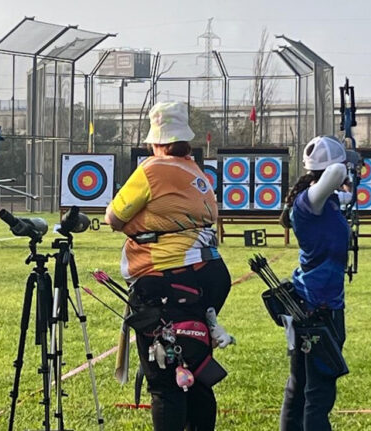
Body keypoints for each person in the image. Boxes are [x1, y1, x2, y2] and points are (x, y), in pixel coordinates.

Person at [105, 101, 233, 431]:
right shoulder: (195, 171)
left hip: (168, 279)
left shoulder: (153, 169)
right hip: (208, 275)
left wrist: (140, 224)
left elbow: (113, 217)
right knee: (195, 367)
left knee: (166, 381)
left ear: (156, 141)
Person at [278, 135, 356, 431]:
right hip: (318, 307)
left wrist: (349, 177)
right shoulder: (308, 203)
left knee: (300, 386)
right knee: (318, 391)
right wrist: (345, 165)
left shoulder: (324, 200)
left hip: (310, 301)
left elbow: (346, 193)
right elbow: (335, 173)